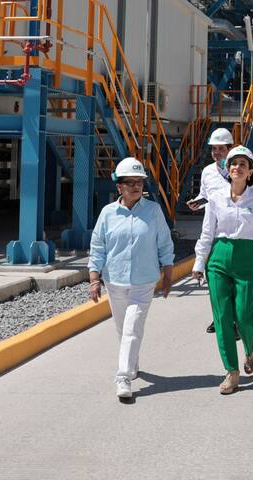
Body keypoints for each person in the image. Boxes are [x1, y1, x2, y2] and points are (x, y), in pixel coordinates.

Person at [88, 157, 175, 402]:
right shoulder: (107, 213)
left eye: (140, 182)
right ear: (119, 186)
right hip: (114, 280)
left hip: (143, 282)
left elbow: (165, 243)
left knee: (132, 327)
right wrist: (94, 279)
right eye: (130, 183)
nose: (136, 187)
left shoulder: (153, 211)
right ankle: (132, 365)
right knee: (122, 329)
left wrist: (168, 275)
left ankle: (123, 377)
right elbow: (97, 247)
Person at [192, 145, 253, 395]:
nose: (237, 167)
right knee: (222, 316)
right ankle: (232, 371)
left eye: (242, 164)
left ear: (250, 173)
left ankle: (249, 349)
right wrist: (199, 262)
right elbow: (207, 232)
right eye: (233, 164)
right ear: (228, 170)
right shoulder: (216, 198)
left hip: (245, 258)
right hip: (218, 258)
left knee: (244, 316)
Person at [191, 127, 233, 334]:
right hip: (212, 230)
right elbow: (204, 195)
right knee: (214, 277)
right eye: (213, 149)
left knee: (232, 278)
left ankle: (233, 320)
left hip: (233, 232)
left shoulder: (239, 170)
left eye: (220, 148)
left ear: (230, 148)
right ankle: (219, 318)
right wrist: (197, 203)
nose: (216, 153)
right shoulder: (207, 172)